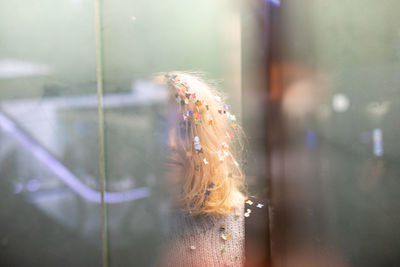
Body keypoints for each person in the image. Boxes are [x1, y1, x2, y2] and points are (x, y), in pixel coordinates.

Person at [154, 71, 267, 267]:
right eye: (159, 127)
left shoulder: (260, 223)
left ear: (208, 140)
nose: (169, 143)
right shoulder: (119, 226)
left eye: (185, 129)